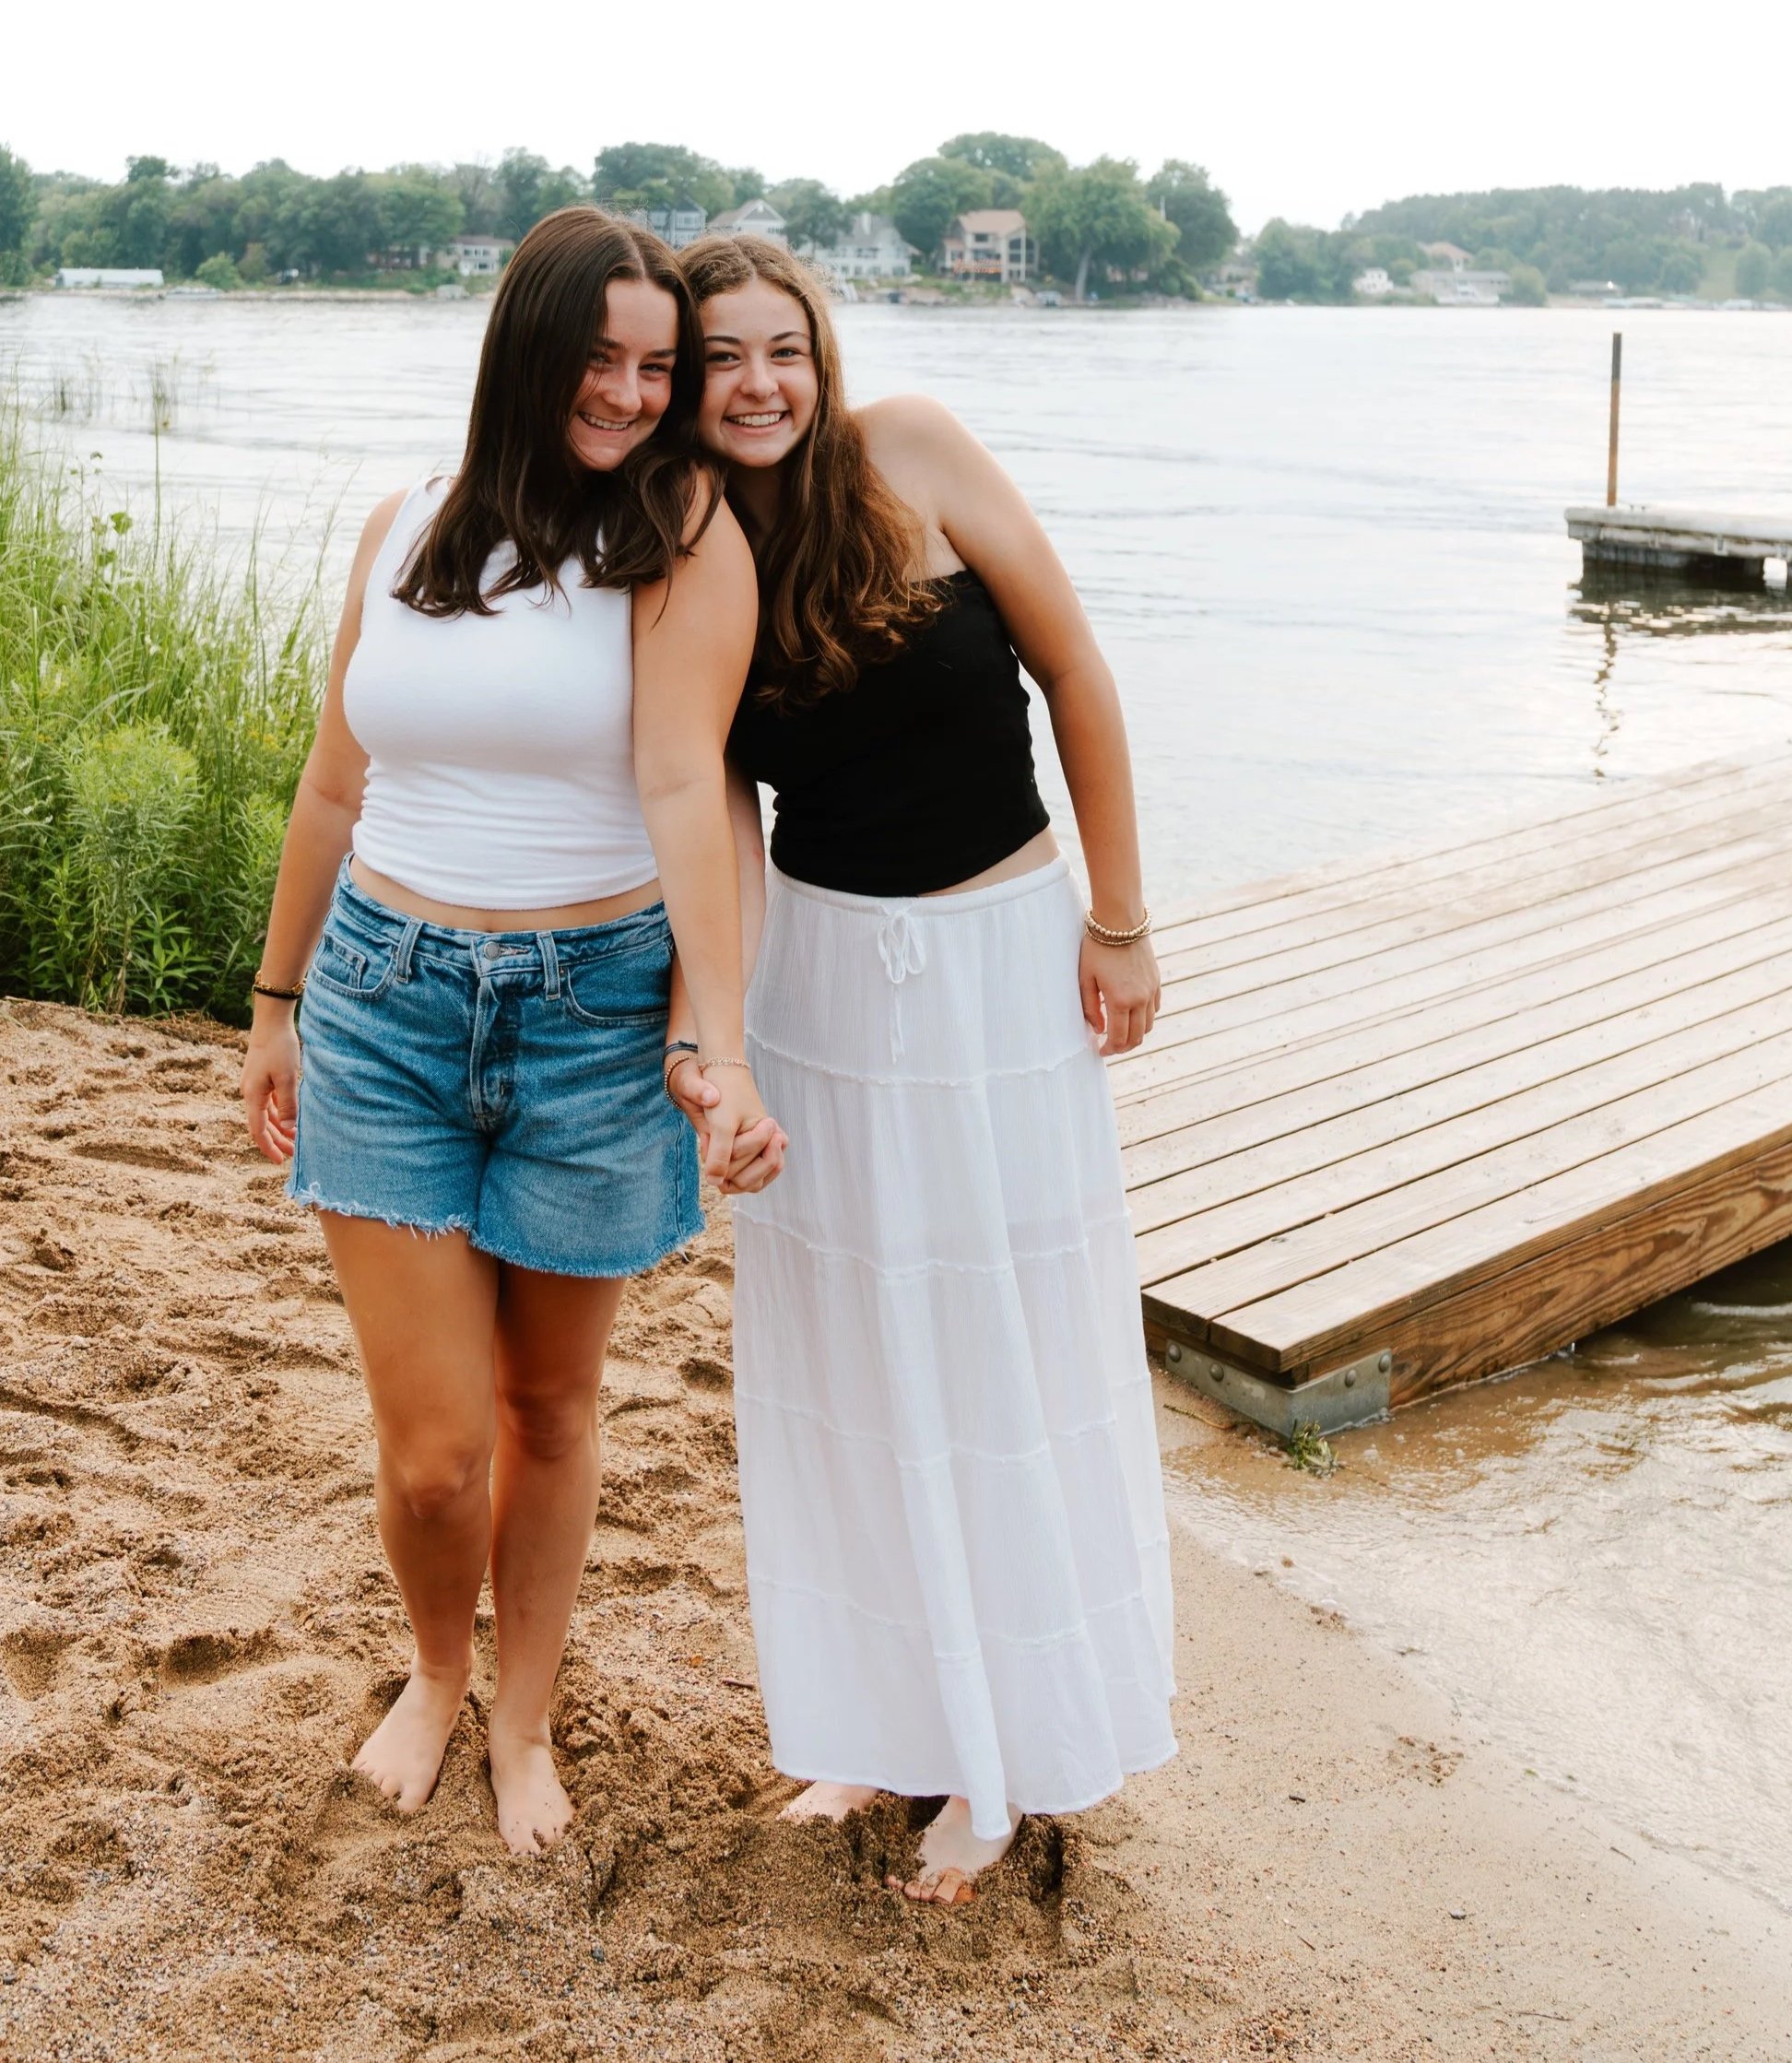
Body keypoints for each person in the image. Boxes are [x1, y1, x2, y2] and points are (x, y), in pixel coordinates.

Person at [240, 206, 785, 1859]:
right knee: (432, 1454)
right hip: (382, 1003)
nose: (630, 395)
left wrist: (723, 1038)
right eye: (600, 360)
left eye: (655, 367)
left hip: (592, 1016)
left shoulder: (683, 529)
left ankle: (524, 1715)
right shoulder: (403, 522)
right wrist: (271, 1000)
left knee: (550, 1409)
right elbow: (339, 779)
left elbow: (697, 786)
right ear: (525, 351)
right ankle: (432, 1670)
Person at [670, 233, 1173, 1904]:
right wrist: (724, 1035)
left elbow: (1076, 672)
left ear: (823, 353)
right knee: (849, 1353)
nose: (758, 383)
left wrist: (1120, 918)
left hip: (1002, 965)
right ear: (682, 375)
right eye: (721, 354)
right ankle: (879, 1721)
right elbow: (721, 815)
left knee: (994, 1337)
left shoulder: (918, 450)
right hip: (825, 979)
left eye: (783, 348)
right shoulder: (685, 542)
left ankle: (1004, 1750)